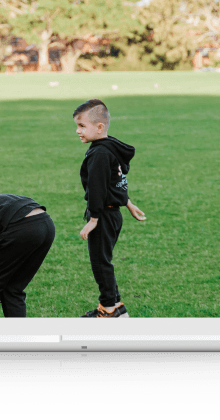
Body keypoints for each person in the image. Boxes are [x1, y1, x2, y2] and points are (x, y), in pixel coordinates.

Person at [73, 99, 146, 318]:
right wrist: (128, 203)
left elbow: (97, 188)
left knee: (100, 263)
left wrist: (94, 219)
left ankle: (108, 309)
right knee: (104, 261)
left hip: (103, 216)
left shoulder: (99, 154)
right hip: (113, 214)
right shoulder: (109, 148)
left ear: (99, 127)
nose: (78, 131)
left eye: (82, 126)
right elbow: (115, 181)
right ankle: (116, 306)